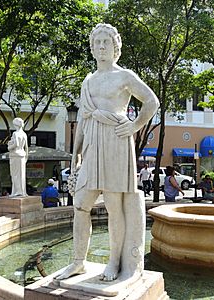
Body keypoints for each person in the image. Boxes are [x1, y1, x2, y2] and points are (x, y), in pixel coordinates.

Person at [54, 23, 159, 282]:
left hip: (115, 141)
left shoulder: (124, 76)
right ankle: (78, 262)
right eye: (97, 42)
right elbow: (81, 119)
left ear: (115, 47)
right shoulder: (88, 81)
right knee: (81, 204)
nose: (101, 46)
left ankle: (113, 262)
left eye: (106, 42)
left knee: (114, 206)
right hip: (91, 145)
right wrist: (74, 155)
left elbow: (152, 101)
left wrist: (134, 126)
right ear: (92, 48)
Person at [8, 118, 28, 197]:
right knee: (22, 175)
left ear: (16, 125)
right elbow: (26, 147)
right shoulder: (24, 134)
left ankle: (16, 192)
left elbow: (15, 144)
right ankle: (22, 191)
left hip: (15, 155)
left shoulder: (15, 133)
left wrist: (9, 147)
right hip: (22, 155)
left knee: (15, 174)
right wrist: (26, 157)